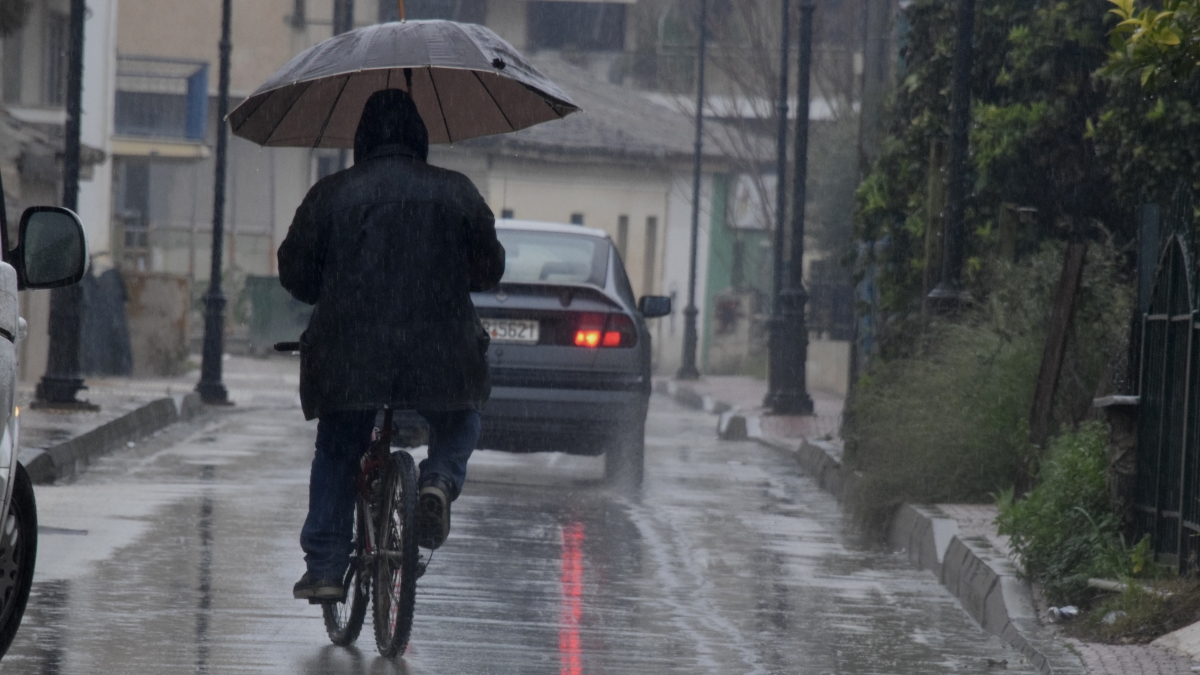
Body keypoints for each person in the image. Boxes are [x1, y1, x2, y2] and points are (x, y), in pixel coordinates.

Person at [278, 88, 505, 601]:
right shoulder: (458, 192)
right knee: (460, 416)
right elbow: (489, 269)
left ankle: (327, 569)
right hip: (441, 353)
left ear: (361, 139)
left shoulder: (330, 194)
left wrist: (330, 283)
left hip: (348, 357)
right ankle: (438, 482)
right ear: (420, 137)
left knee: (338, 449)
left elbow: (295, 273)